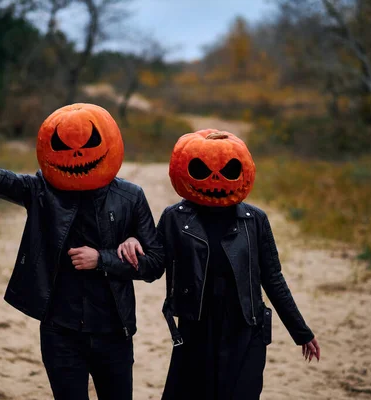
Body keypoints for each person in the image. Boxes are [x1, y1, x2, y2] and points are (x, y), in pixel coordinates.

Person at [0, 102, 164, 400]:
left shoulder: (130, 197)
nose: (77, 155)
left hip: (113, 332)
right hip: (61, 331)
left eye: (89, 144)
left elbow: (156, 264)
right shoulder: (42, 191)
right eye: (63, 146)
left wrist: (101, 259)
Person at [118, 129, 320, 399]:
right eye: (200, 169)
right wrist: (129, 242)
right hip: (196, 330)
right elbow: (154, 266)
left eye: (229, 169)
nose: (215, 178)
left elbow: (273, 278)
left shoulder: (255, 220)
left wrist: (301, 331)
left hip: (246, 330)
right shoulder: (175, 218)